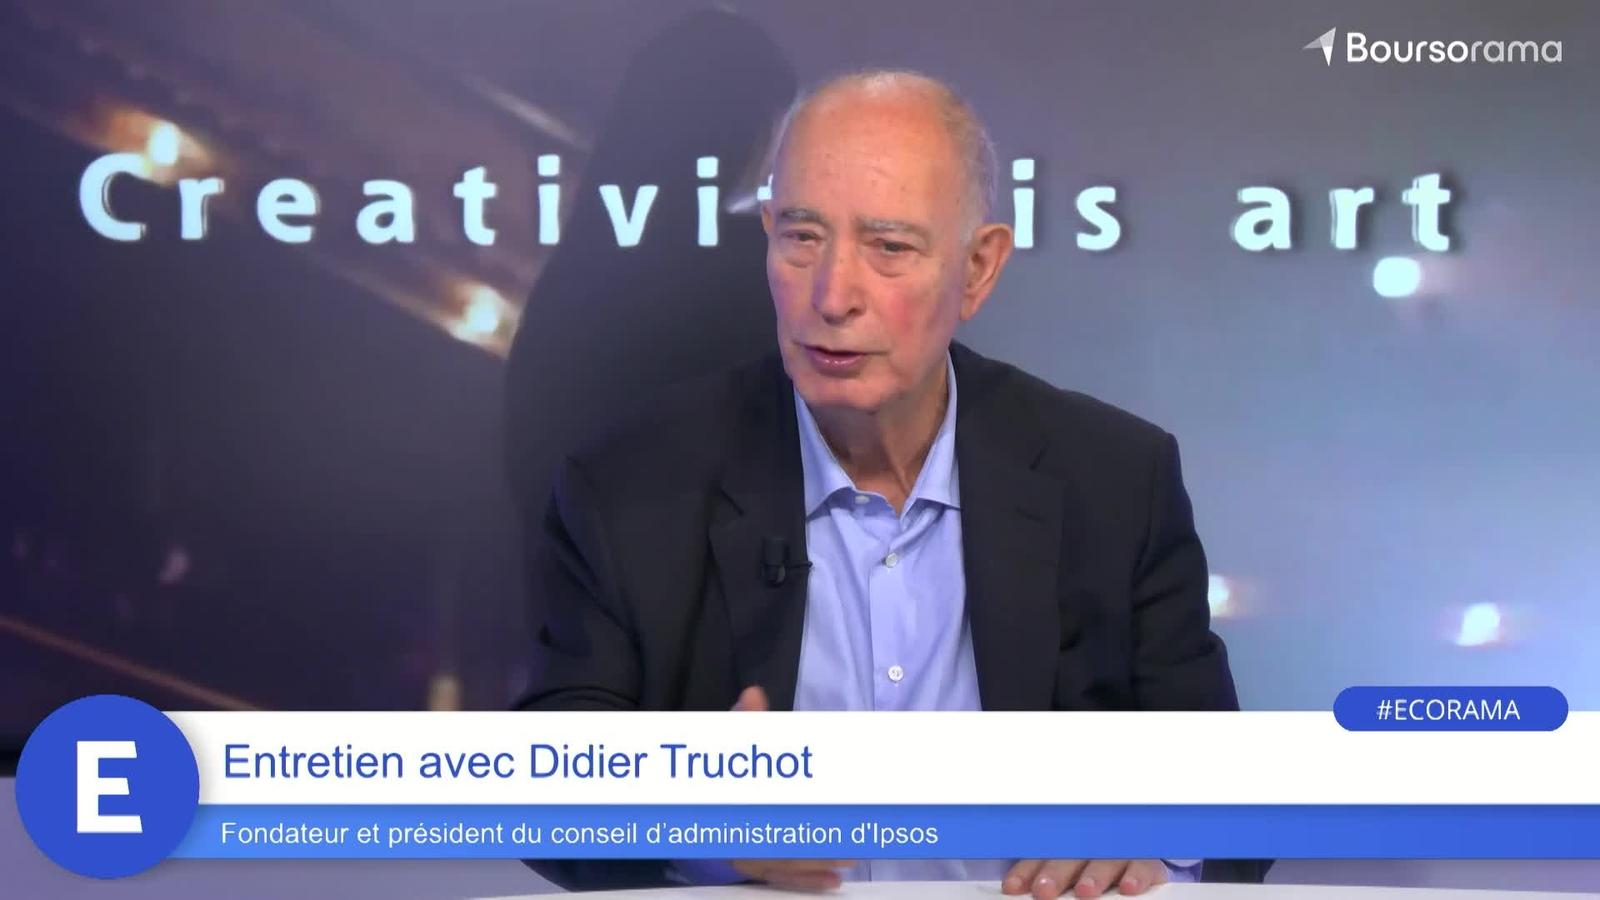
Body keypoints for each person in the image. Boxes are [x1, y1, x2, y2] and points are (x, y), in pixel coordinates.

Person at [516, 69, 1265, 893]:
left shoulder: (1115, 480)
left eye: (890, 248)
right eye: (802, 236)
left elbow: (1232, 803)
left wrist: (1151, 846)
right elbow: (545, 787)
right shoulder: (629, 486)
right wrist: (693, 820)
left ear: (978, 269)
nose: (833, 295)